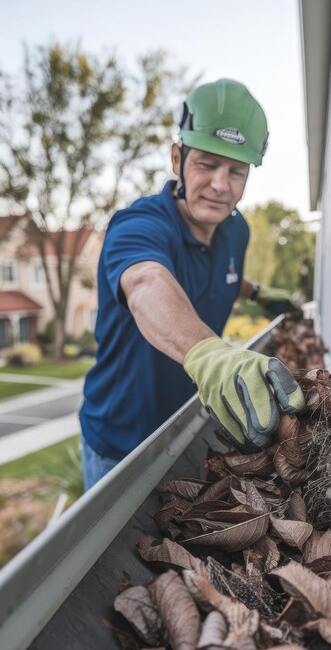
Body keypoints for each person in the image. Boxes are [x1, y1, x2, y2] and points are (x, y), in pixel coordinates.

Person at [79, 78, 304, 490]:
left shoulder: (236, 231)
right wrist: (210, 355)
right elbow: (148, 282)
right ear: (177, 158)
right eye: (207, 164)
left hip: (187, 428)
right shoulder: (138, 226)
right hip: (119, 445)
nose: (221, 184)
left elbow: (221, 276)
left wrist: (256, 293)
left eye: (236, 170)